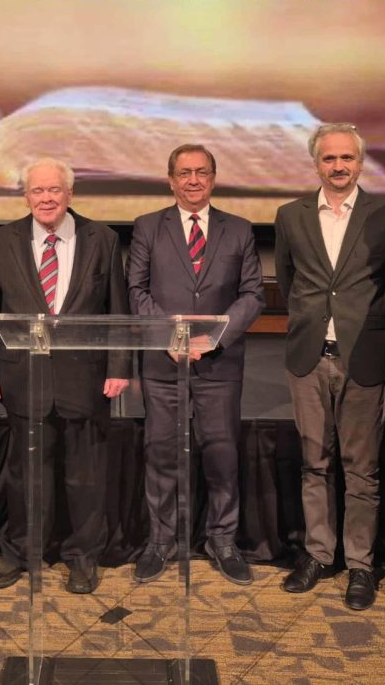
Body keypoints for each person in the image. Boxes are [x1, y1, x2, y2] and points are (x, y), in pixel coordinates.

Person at [0, 157, 131, 594]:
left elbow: (117, 310)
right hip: (23, 378)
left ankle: (83, 556)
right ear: (26, 196)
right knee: (26, 475)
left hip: (86, 379)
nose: (46, 198)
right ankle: (20, 551)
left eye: (54, 190)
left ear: (69, 194)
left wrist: (119, 366)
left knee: (85, 476)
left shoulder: (103, 238)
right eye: (38, 191)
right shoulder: (0, 241)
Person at [273, 123, 385, 609]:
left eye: (347, 158)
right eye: (329, 158)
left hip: (363, 357)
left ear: (360, 163)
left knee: (361, 469)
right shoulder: (290, 215)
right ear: (316, 164)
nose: (338, 166)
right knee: (314, 463)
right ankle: (317, 554)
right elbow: (288, 279)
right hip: (308, 356)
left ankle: (360, 565)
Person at [127, 143, 264, 585]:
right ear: (171, 180)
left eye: (202, 172)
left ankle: (222, 540)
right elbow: (136, 291)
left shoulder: (239, 229)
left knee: (222, 454)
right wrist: (169, 335)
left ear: (213, 178)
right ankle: (160, 540)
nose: (193, 180)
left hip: (218, 365)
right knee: (161, 452)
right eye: (184, 173)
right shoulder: (148, 227)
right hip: (163, 365)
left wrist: (214, 338)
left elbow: (252, 295)